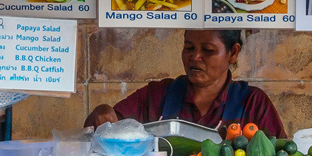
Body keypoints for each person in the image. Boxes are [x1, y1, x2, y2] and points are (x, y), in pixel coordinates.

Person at [84, 29, 285, 137]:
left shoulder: (253, 103)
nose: (195, 57)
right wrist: (100, 114)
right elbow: (107, 130)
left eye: (208, 50)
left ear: (233, 53)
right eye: (189, 48)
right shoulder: (156, 95)